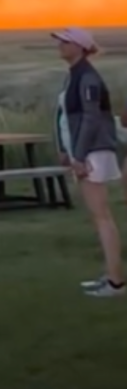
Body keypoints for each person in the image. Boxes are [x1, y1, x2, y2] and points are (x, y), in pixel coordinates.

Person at [51, 27, 125, 297]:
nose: (59, 45)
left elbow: (92, 119)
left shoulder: (88, 77)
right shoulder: (74, 76)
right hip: (84, 153)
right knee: (98, 217)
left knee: (102, 216)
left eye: (64, 41)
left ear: (79, 47)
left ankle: (116, 282)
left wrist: (79, 156)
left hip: (93, 152)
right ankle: (110, 275)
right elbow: (63, 117)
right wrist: (64, 149)